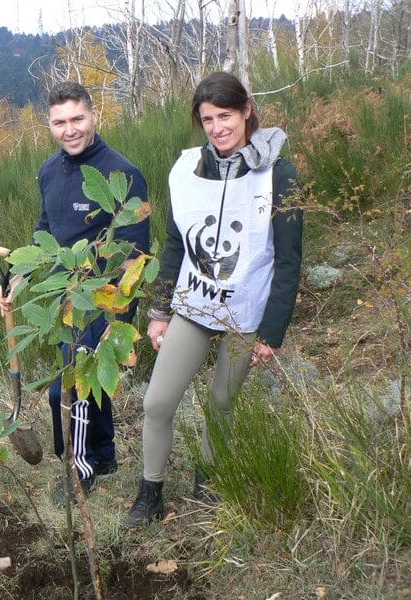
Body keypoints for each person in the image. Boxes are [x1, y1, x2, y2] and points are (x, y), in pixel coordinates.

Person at [123, 72, 303, 527]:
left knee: (222, 401)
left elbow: (288, 262)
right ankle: (150, 493)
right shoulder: (186, 170)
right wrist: (160, 310)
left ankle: (208, 484)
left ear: (246, 111)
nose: (218, 127)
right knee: (157, 403)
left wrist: (271, 332)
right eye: (208, 119)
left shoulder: (280, 174)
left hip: (246, 313)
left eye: (226, 115)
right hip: (194, 305)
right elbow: (174, 244)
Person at [0, 81, 150, 500]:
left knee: (67, 389)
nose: (70, 130)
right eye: (60, 122)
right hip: (65, 298)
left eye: (77, 119)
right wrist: (16, 277)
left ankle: (78, 468)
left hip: (105, 300)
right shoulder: (48, 171)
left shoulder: (122, 174)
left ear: (94, 114)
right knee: (89, 384)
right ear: (49, 125)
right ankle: (102, 454)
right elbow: (45, 230)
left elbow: (135, 254)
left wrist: (119, 315)